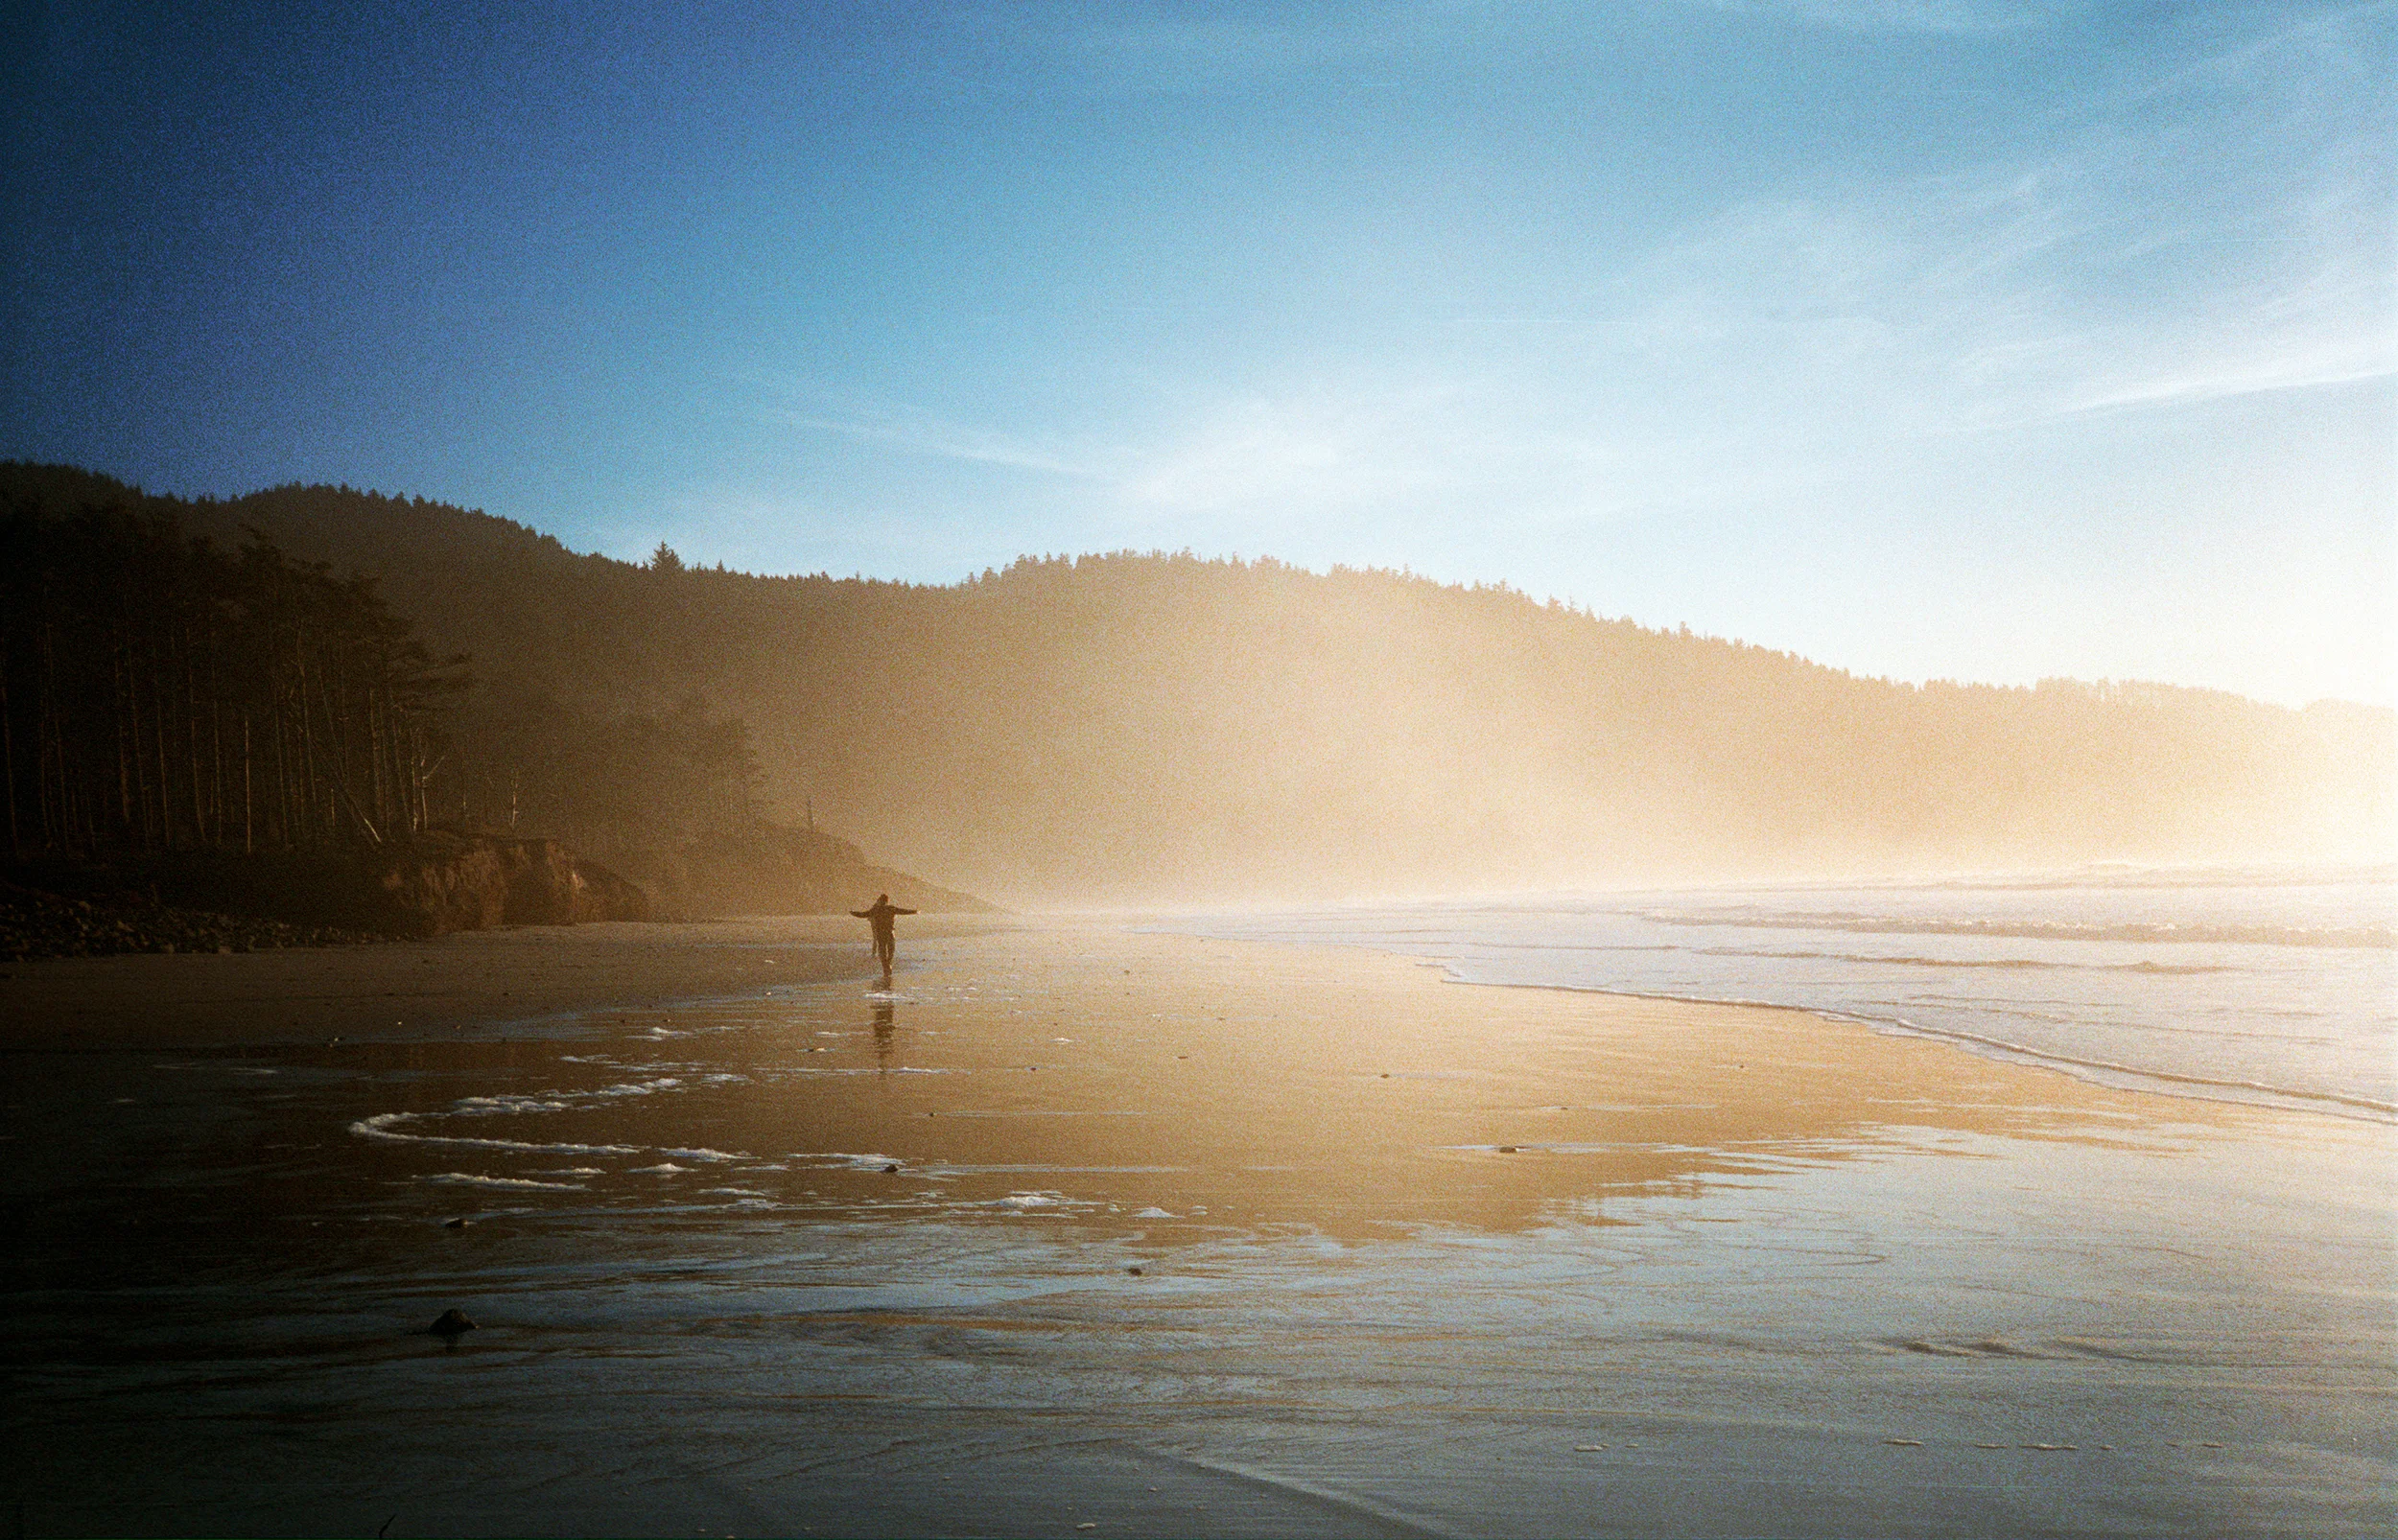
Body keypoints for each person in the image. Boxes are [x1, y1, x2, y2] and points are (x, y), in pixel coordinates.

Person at [850, 892, 916, 985]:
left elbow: (863, 914)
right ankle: (887, 965)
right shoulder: (879, 909)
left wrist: (853, 913)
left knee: (886, 951)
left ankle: (887, 965)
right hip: (887, 933)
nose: (883, 903)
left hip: (885, 933)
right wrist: (914, 911)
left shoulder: (885, 909)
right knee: (888, 950)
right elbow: (864, 914)